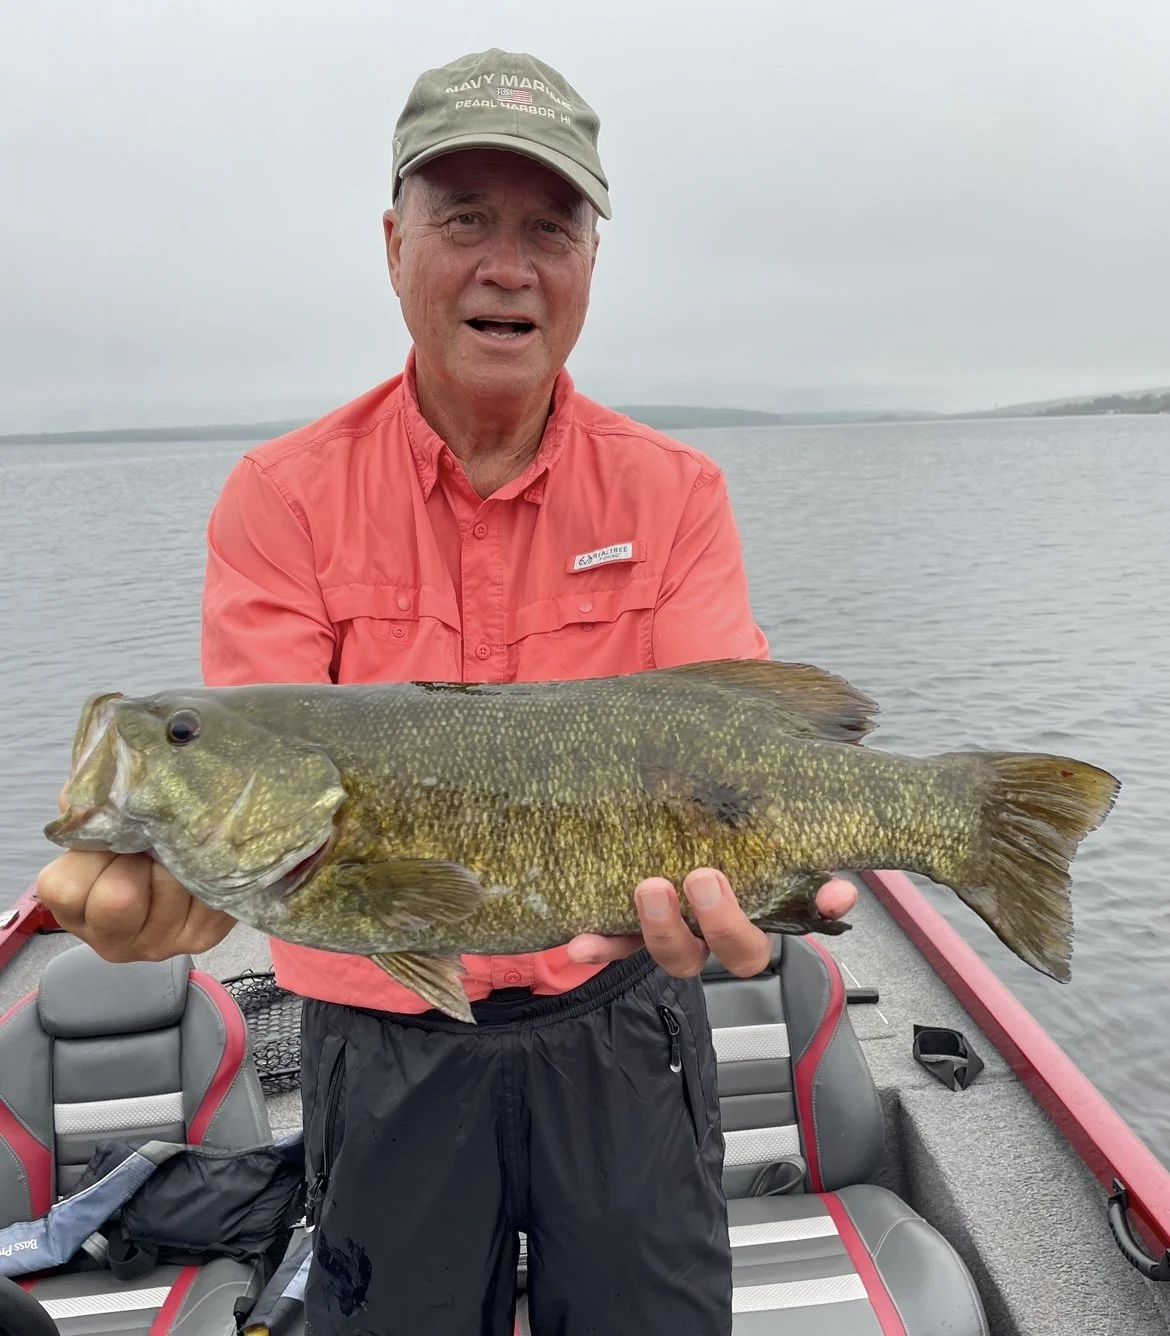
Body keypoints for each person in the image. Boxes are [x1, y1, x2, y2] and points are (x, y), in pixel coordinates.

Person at [36, 49, 857, 1336]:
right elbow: (263, 803)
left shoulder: (677, 491)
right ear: (393, 243)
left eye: (549, 226)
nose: (507, 263)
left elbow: (732, 746)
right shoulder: (282, 494)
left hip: (623, 1020)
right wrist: (183, 879)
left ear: (592, 259)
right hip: (383, 1042)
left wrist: (769, 878)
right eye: (464, 217)